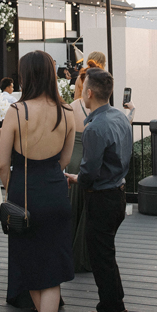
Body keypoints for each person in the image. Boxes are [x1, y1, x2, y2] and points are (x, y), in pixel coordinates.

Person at [0, 51, 75, 312]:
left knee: (28, 264)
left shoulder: (16, 111)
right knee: (52, 269)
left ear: (26, 76)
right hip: (56, 192)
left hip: (24, 192)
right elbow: (65, 160)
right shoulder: (69, 112)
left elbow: (3, 163)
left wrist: (9, 189)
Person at [67, 68, 133, 312]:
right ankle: (116, 308)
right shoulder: (120, 117)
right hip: (118, 193)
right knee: (107, 256)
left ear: (89, 93)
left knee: (101, 260)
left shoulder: (94, 127)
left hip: (101, 197)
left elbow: (90, 171)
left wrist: (75, 179)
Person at [66, 64, 94, 273]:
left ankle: (70, 250)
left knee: (74, 204)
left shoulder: (72, 106)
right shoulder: (100, 106)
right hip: (91, 155)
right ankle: (86, 252)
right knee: (88, 205)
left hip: (74, 156)